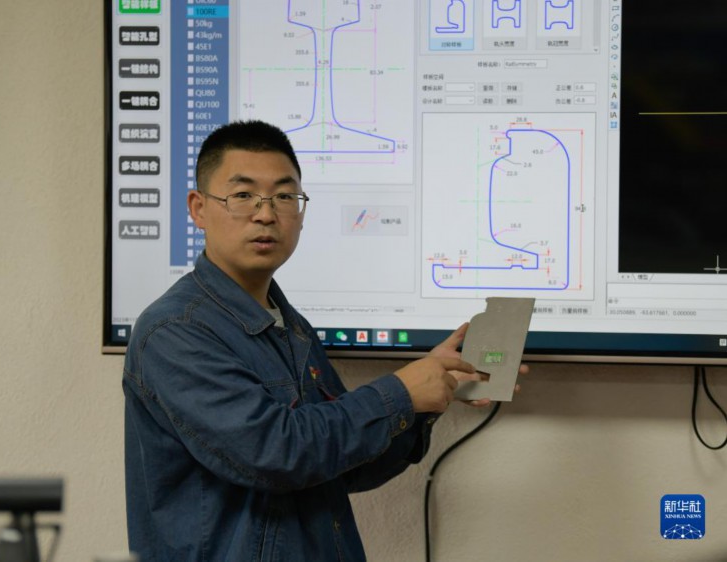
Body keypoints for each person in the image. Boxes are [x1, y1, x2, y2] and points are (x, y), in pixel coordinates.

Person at [123, 120, 521, 561]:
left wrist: (431, 393)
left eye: (284, 197)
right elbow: (275, 453)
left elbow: (344, 464)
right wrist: (401, 393)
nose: (266, 214)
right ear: (198, 209)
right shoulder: (173, 330)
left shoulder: (291, 325)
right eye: (243, 195)